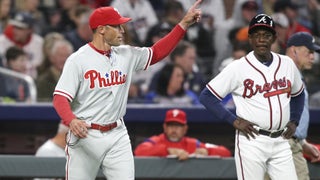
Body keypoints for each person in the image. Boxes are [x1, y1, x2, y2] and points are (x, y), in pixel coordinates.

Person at [52, 1, 202, 179]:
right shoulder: (78, 60)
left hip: (117, 134)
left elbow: (156, 53)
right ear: (101, 29)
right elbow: (60, 97)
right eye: (116, 26)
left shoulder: (126, 54)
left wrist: (182, 25)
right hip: (86, 134)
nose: (122, 31)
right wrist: (71, 120)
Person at [199, 14, 305, 180]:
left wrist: (295, 120)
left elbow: (298, 95)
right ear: (250, 39)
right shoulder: (237, 67)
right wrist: (233, 120)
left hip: (281, 141)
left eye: (266, 35)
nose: (261, 40)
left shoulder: (287, 64)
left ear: (274, 38)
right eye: (257, 35)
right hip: (252, 140)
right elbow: (207, 96)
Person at [278, 32, 320, 179]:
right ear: (294, 50)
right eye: (309, 52)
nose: (312, 57)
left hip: (283, 143)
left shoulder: (290, 74)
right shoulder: (284, 75)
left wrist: (302, 142)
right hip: (285, 145)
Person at [134, 109, 231, 160]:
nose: (174, 129)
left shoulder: (193, 144)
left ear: (185, 129)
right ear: (165, 127)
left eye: (178, 126)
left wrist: (207, 152)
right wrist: (167, 150)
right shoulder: (156, 140)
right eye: (171, 125)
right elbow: (139, 151)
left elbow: (225, 152)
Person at [0, 11, 44, 79]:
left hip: (31, 79)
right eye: (14, 27)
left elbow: (39, 64)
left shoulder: (39, 43)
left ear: (30, 30)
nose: (15, 31)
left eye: (20, 28)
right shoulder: (2, 41)